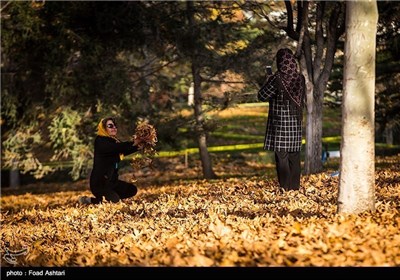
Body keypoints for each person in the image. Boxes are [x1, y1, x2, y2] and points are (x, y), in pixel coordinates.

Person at [257, 48, 306, 190]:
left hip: (280, 125)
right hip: (296, 123)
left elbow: (262, 96)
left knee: (282, 158)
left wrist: (268, 80)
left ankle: (285, 188)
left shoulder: (276, 79)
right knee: (294, 158)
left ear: (279, 62)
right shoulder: (300, 78)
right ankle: (294, 189)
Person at [79, 117, 139, 204]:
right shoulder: (100, 141)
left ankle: (99, 199)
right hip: (100, 184)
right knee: (115, 203)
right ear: (104, 128)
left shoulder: (114, 141)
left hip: (112, 182)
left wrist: (140, 144)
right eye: (110, 126)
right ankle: (98, 200)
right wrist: (134, 142)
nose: (114, 127)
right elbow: (118, 148)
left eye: (115, 126)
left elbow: (125, 150)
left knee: (132, 190)